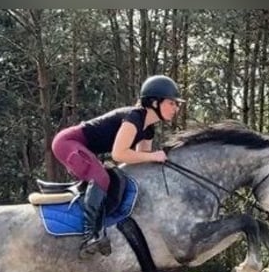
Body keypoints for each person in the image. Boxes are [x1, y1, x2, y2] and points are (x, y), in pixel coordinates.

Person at [51, 75, 184, 258]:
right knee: (101, 178)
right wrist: (154, 155)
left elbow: (139, 160)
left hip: (82, 147)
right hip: (67, 142)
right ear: (154, 102)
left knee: (112, 179)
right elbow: (119, 154)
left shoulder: (148, 129)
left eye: (177, 104)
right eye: (172, 103)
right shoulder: (134, 118)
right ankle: (91, 236)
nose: (176, 108)